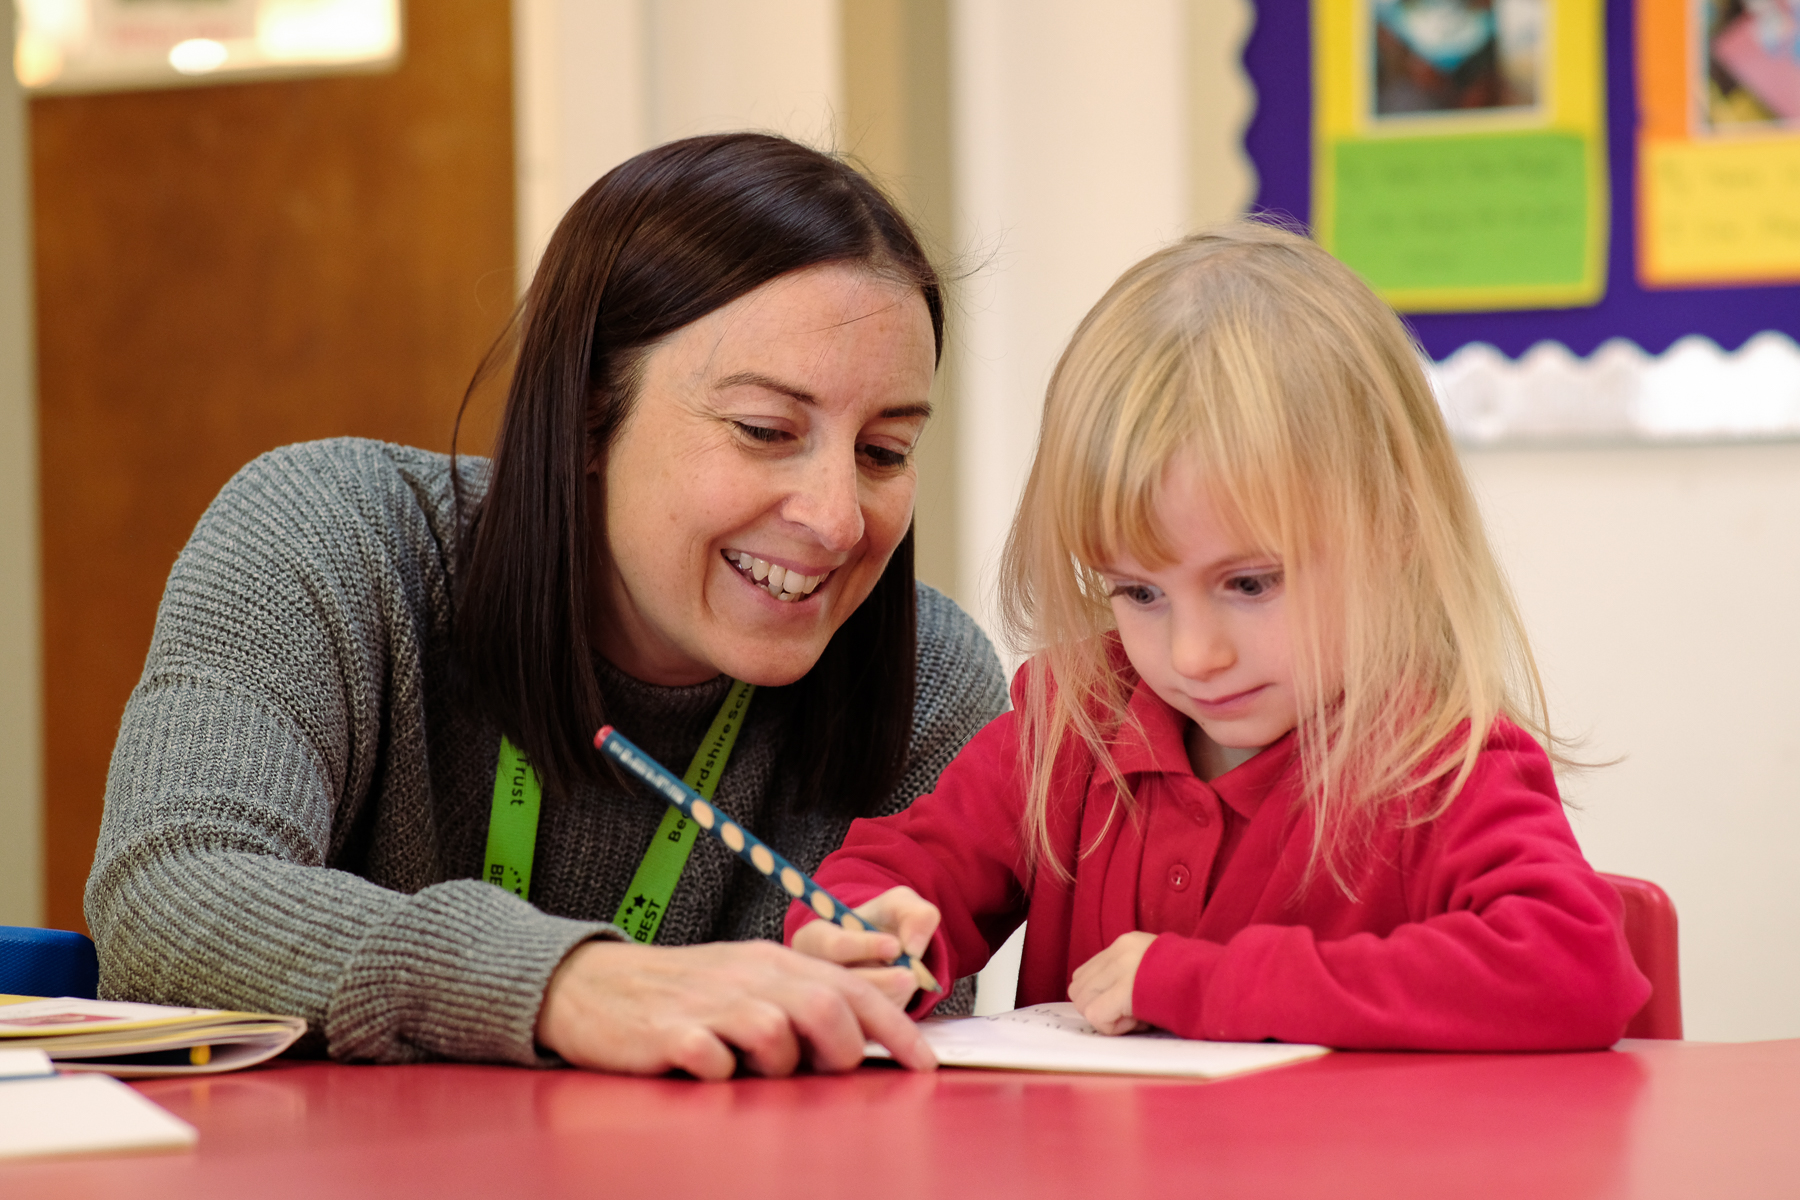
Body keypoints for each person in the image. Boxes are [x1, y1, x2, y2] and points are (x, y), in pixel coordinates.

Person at [86, 133, 1009, 1078]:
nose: (837, 519)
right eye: (765, 430)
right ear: (586, 417)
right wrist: (562, 982)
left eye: (885, 451)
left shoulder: (933, 680)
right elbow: (167, 895)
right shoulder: (329, 536)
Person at [787, 222, 1650, 1051]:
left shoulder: (1438, 761)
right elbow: (907, 863)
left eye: (1249, 584)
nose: (1194, 656)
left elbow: (1575, 968)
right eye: (1138, 592)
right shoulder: (1075, 721)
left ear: (1395, 527)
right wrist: (864, 933)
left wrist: (1209, 984)